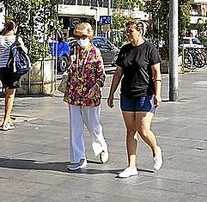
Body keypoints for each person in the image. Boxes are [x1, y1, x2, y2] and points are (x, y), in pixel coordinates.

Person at [107, 20, 162, 178]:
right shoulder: (125, 50)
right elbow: (118, 73)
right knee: (130, 131)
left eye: (130, 31)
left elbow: (156, 73)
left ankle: (155, 150)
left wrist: (157, 93)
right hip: (127, 94)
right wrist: (111, 94)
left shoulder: (149, 49)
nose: (127, 33)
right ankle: (131, 166)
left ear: (139, 32)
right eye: (127, 31)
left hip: (145, 94)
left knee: (143, 130)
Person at [64, 22, 109, 171]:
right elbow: (70, 70)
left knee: (93, 126)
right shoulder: (73, 50)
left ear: (90, 36)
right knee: (75, 128)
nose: (80, 39)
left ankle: (101, 147)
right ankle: (78, 158)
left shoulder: (95, 52)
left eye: (83, 36)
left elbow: (101, 74)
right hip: (74, 94)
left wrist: (96, 87)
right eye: (77, 36)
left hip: (91, 95)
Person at [0, 19, 25, 130]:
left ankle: (8, 118)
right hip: (13, 68)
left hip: (1, 68)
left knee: (8, 93)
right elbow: (25, 51)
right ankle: (5, 122)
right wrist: (21, 45)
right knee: (10, 95)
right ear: (14, 28)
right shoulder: (16, 39)